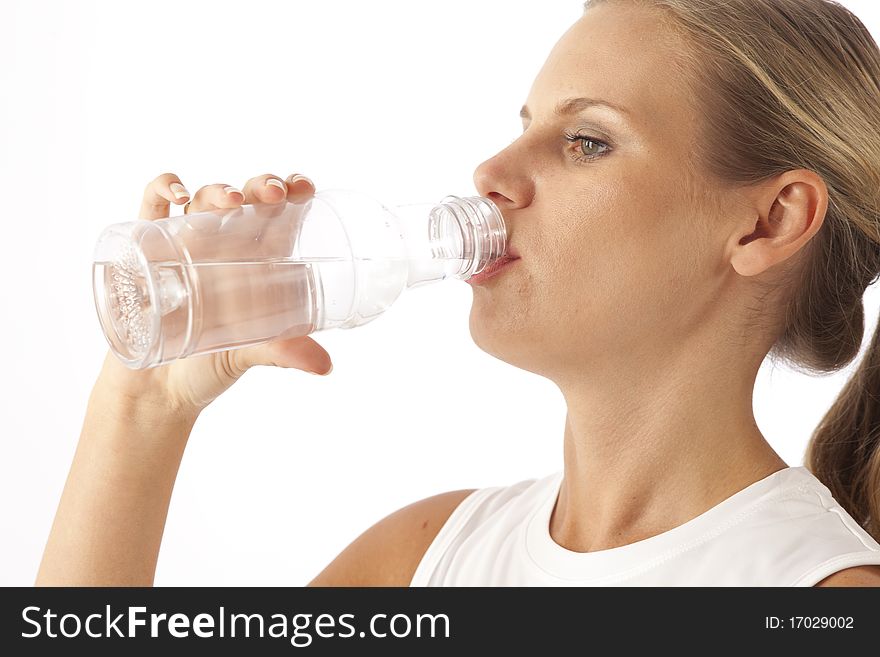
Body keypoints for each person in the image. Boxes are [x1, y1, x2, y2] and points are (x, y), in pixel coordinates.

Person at [37, 0, 880, 587]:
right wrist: (143, 405)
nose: (491, 175)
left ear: (769, 222)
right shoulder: (424, 558)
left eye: (586, 142)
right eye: (524, 127)